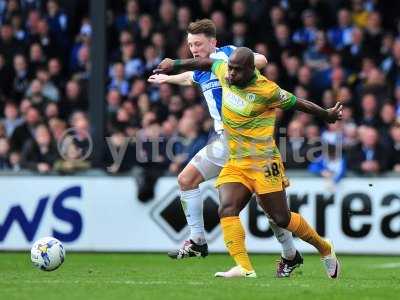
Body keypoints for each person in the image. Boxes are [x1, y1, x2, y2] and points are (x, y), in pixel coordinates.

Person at [154, 47, 342, 279]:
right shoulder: (224, 70)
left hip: (264, 162)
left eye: (236, 70)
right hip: (237, 160)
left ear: (251, 69)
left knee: (280, 218)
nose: (231, 74)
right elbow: (203, 63)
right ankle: (244, 268)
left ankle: (324, 247)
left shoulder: (267, 90)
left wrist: (326, 114)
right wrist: (176, 64)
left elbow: (299, 103)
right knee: (227, 208)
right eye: (230, 68)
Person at [148, 19, 302, 278]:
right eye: (190, 44)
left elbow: (261, 59)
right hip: (224, 142)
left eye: (198, 44)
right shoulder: (201, 69)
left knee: (271, 211)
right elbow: (190, 78)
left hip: (251, 144)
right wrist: (167, 79)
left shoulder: (228, 56)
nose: (193, 49)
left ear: (213, 42)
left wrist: (245, 62)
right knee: (186, 179)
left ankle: (290, 255)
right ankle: (197, 241)